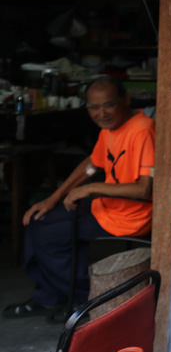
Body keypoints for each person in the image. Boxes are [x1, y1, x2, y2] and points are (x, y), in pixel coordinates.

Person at [2, 76, 155, 317]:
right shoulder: (110, 128)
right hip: (106, 207)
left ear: (126, 100)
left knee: (50, 237)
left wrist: (91, 189)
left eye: (109, 104)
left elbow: (144, 189)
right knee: (35, 221)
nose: (101, 113)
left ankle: (85, 298)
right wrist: (52, 199)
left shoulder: (143, 130)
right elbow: (91, 165)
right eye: (93, 107)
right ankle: (50, 296)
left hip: (129, 217)